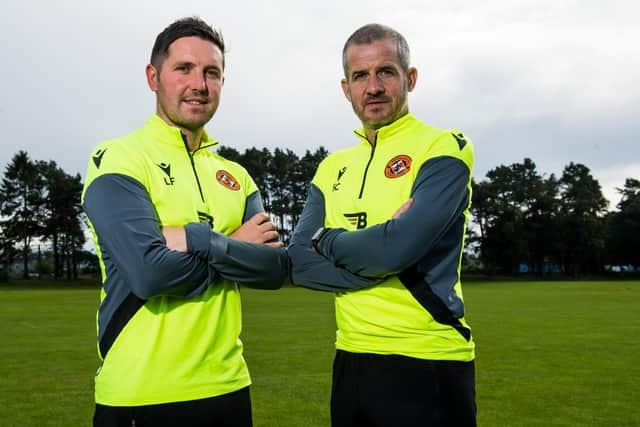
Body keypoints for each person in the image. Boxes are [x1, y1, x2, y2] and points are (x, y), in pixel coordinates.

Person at [82, 17, 288, 427]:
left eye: (212, 72)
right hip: (140, 394)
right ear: (153, 77)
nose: (200, 84)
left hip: (228, 388)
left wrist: (196, 239)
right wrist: (233, 244)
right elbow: (148, 274)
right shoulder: (119, 158)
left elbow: (274, 269)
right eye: (184, 69)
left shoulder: (237, 176)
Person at [288, 23, 477, 426]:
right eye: (360, 76)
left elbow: (398, 248)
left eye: (386, 72)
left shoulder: (443, 146)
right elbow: (298, 262)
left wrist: (329, 240)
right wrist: (381, 257)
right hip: (351, 360)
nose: (372, 86)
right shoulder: (331, 167)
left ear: (410, 78)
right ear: (346, 88)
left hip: (429, 358)